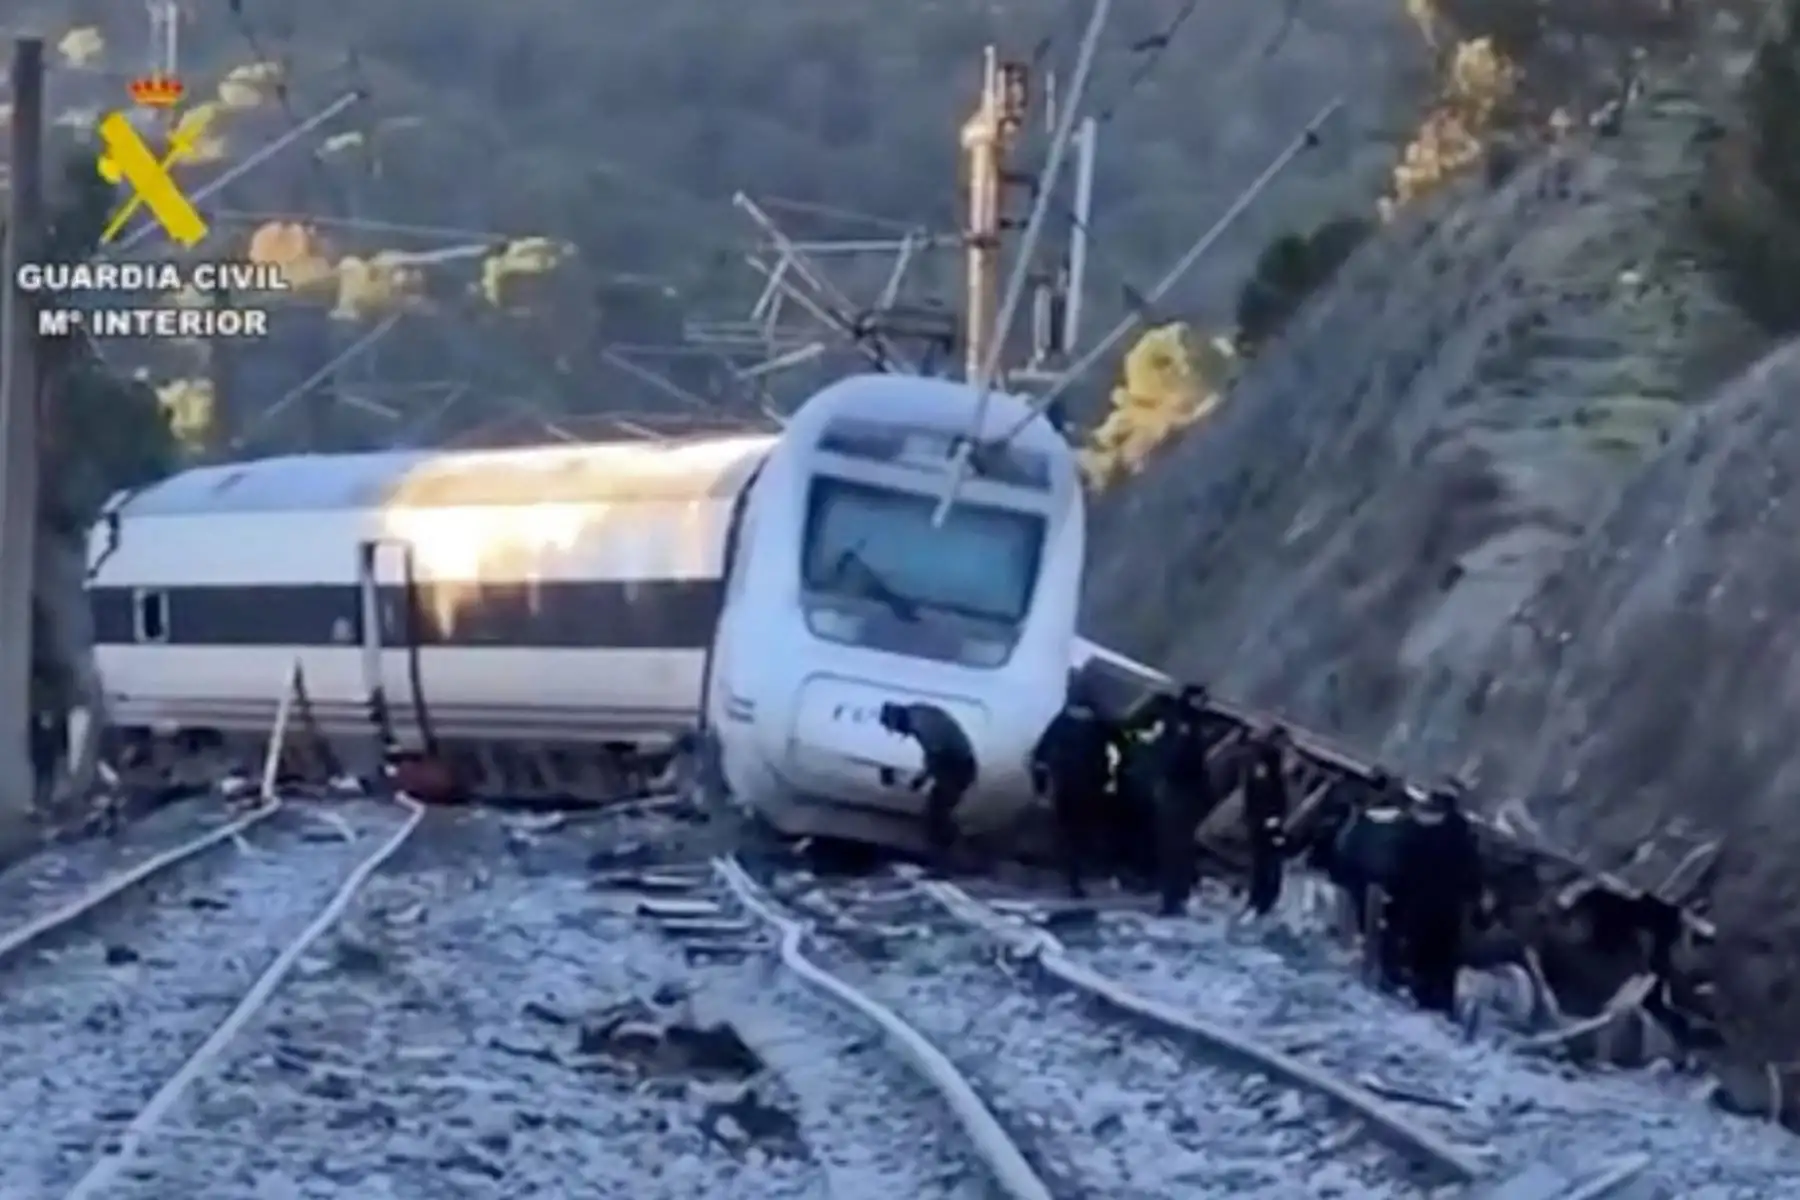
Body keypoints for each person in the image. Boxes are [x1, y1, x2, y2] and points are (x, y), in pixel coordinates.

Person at [1391, 781, 1483, 1014]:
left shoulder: (1413, 832)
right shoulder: (1462, 836)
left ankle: (1420, 1005)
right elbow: (1472, 878)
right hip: (1448, 915)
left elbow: (1399, 874)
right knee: (1443, 971)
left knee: (1419, 967)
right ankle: (1441, 1009)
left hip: (1418, 913)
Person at [1029, 677, 1115, 898]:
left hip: (1067, 784)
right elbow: (1114, 748)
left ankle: (1072, 877)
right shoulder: (1099, 724)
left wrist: (1040, 787)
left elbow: (1040, 755)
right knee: (1085, 831)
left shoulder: (1062, 722)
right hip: (1092, 785)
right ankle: (1087, 871)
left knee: (1067, 832)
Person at [879, 701, 978, 864]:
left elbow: (936, 755)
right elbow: (933, 755)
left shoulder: (921, 724)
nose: (901, 733)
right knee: (938, 810)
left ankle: (953, 857)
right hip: (956, 762)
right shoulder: (917, 714)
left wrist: (921, 778)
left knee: (938, 812)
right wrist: (922, 777)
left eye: (897, 729)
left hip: (958, 765)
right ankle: (951, 853)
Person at [1240, 724, 1291, 917]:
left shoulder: (1266, 760)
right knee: (1268, 862)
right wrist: (1272, 819)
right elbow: (1264, 792)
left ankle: (1259, 901)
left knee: (1263, 862)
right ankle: (1262, 902)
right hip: (1265, 821)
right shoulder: (1266, 762)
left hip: (1261, 820)